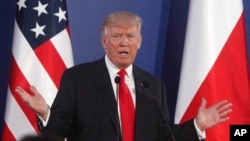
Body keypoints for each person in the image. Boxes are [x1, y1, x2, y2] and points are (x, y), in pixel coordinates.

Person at [16, 11, 233, 141]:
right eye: (117, 36)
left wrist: (197, 125)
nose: (124, 42)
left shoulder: (153, 86)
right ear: (104, 42)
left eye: (130, 36)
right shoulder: (78, 79)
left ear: (138, 43)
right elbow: (59, 130)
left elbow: (165, 136)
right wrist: (45, 111)